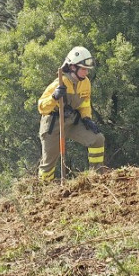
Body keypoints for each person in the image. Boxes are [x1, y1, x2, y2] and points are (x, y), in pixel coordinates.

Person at [37, 46, 106, 181]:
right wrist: (54, 97)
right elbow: (41, 107)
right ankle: (44, 189)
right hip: (53, 124)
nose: (86, 72)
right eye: (83, 69)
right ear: (73, 67)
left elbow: (85, 102)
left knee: (98, 139)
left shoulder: (85, 83)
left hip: (72, 121)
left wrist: (87, 118)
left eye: (87, 69)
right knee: (48, 164)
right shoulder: (59, 82)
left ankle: (97, 176)